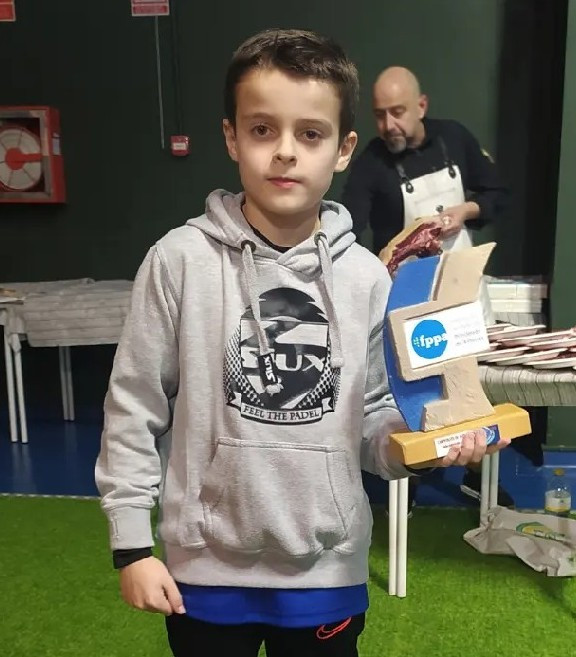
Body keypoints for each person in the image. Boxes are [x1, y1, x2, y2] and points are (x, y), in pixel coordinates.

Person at [95, 31, 509, 657]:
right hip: (204, 574)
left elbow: (374, 417)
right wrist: (131, 546)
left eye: (310, 134)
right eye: (263, 129)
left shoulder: (367, 278)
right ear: (231, 137)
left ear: (343, 150)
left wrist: (424, 445)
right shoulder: (178, 261)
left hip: (326, 575)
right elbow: (134, 405)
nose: (285, 152)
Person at [342, 66, 513, 511]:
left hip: (463, 293)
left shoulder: (454, 138)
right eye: (380, 115)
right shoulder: (371, 165)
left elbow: (498, 192)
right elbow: (348, 229)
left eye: (398, 112)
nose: (388, 125)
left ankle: (479, 480)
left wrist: (465, 211)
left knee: (470, 388)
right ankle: (411, 482)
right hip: (410, 302)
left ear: (421, 106)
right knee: (416, 395)